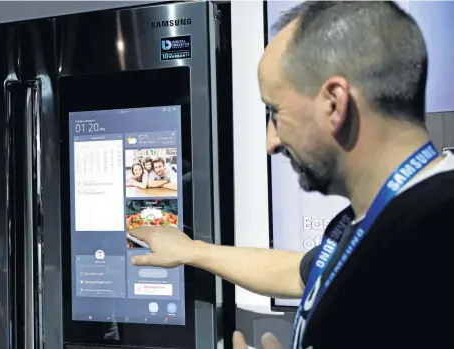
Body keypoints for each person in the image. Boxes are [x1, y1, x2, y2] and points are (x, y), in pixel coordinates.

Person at [128, 2, 454, 348]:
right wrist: (191, 251)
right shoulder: (378, 224)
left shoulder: (433, 236)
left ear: (334, 104)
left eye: (276, 112)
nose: (272, 142)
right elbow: (298, 271)